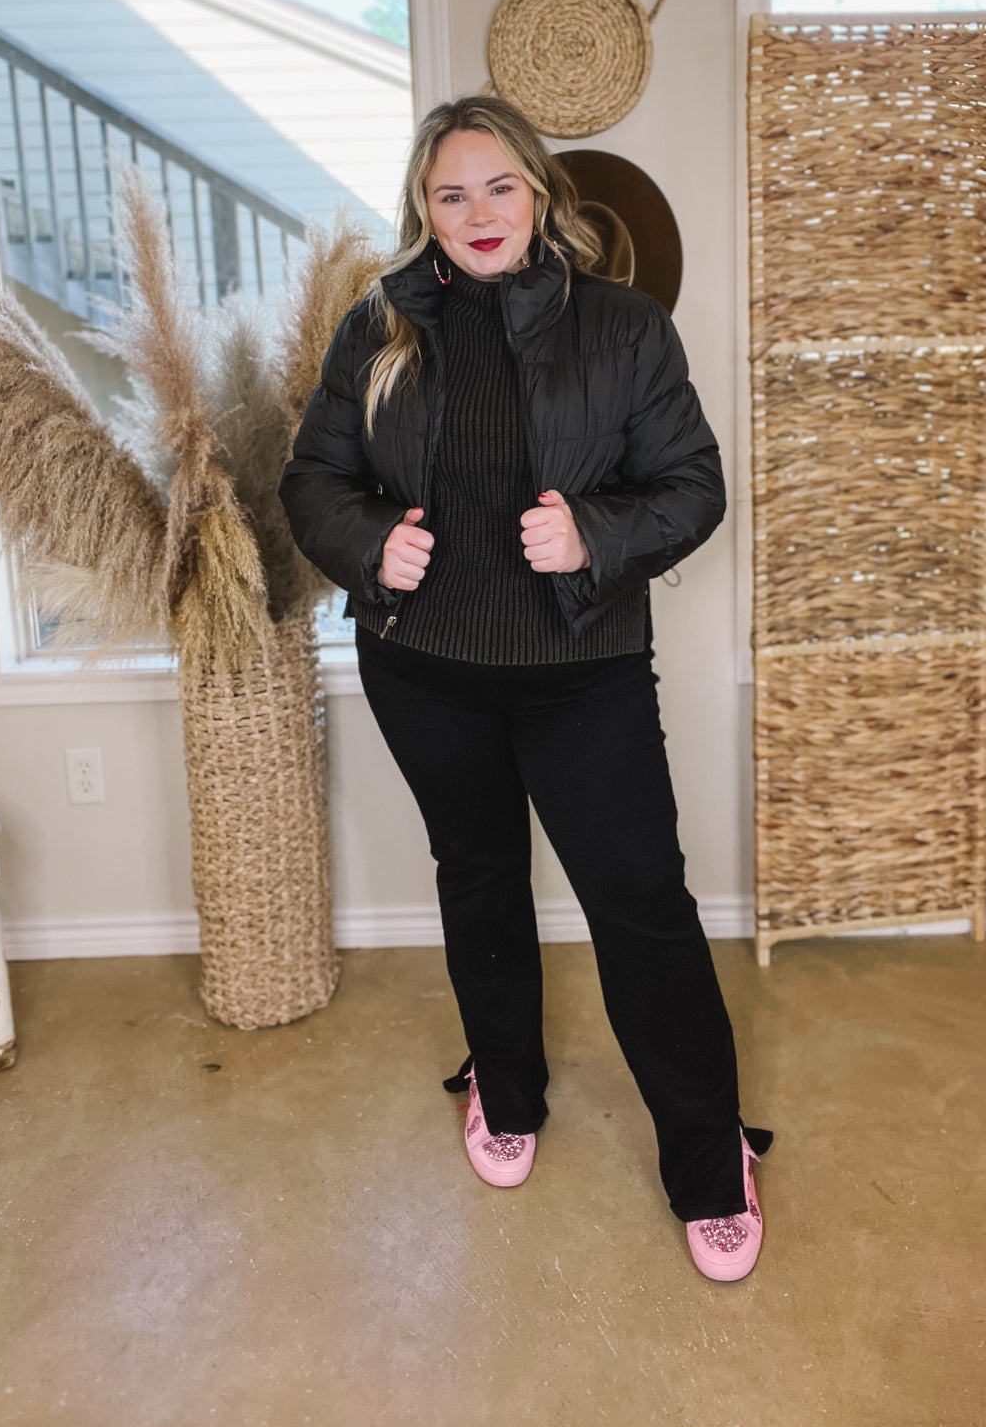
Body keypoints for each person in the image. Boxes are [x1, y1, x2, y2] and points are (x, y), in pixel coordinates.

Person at [279, 95, 772, 1281]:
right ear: (424, 207)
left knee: (639, 901)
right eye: (452, 193)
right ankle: (504, 1090)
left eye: (500, 185)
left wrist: (595, 533)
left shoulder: (622, 325)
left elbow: (694, 484)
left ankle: (710, 1161)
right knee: (480, 875)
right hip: (424, 671)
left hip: (582, 671)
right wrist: (369, 544)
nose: (479, 212)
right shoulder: (377, 327)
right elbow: (313, 480)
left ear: (540, 193)